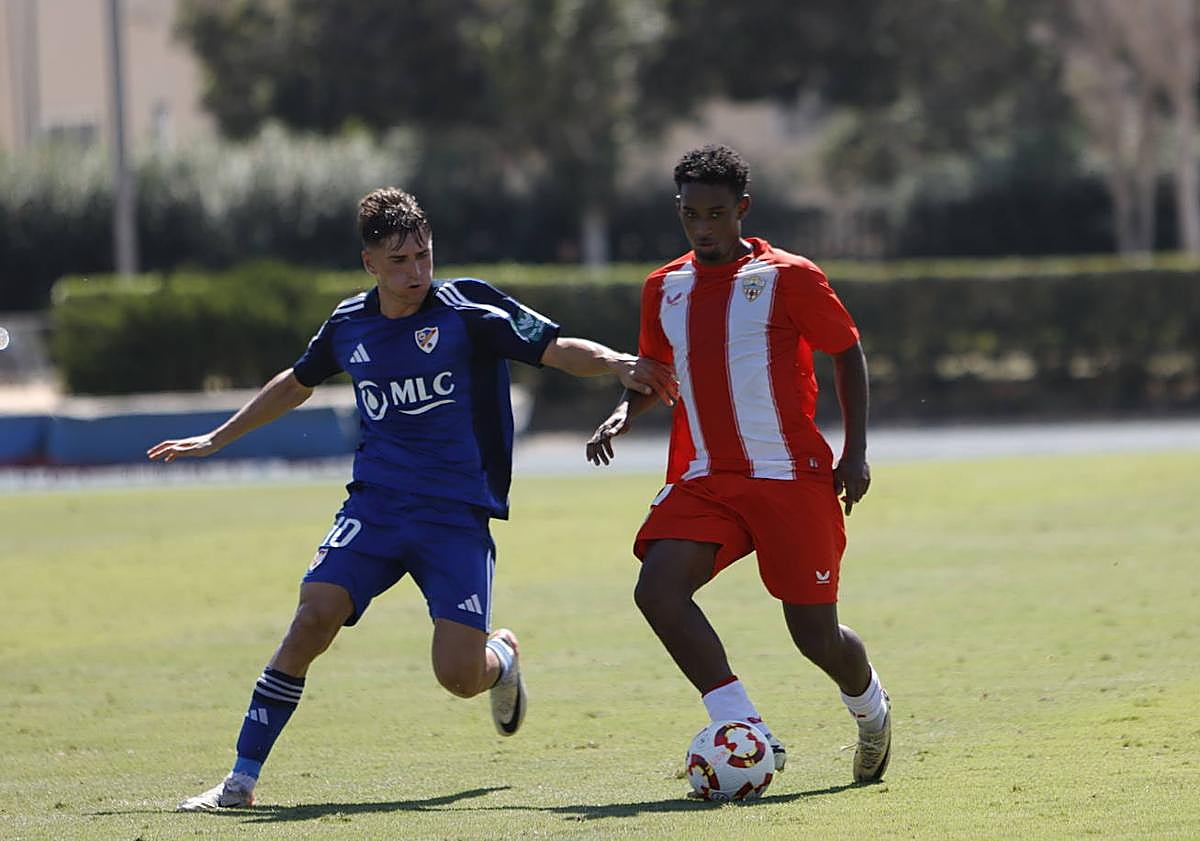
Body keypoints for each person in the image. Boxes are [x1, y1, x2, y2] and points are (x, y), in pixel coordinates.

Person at [149, 187, 674, 811]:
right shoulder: (348, 325)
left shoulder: (466, 308)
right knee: (311, 617)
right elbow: (296, 383)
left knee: (458, 676)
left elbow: (554, 347)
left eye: (424, 255)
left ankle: (500, 659)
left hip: (454, 517)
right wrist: (218, 437)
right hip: (375, 508)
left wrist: (615, 361)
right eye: (400, 261)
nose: (417, 272)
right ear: (370, 262)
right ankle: (240, 781)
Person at [586, 145, 891, 785]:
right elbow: (654, 372)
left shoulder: (790, 277)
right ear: (679, 211)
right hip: (709, 478)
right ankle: (740, 722)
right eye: (691, 214)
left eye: (716, 213)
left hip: (790, 477)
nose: (703, 227)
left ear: (742, 210)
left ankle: (870, 710)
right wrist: (624, 411)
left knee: (815, 637)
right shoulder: (663, 287)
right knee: (657, 590)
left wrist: (855, 450)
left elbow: (847, 351)